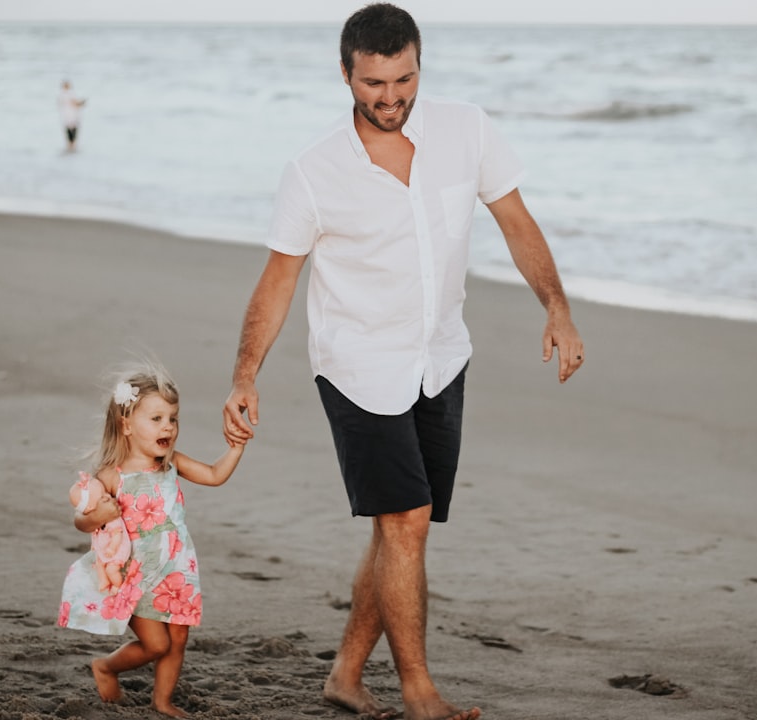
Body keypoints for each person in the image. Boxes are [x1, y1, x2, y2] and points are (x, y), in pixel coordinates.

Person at [222, 4, 584, 719]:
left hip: (440, 357)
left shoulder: (466, 129)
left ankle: (345, 677)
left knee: (399, 528)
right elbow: (278, 280)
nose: (390, 98)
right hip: (356, 364)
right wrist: (244, 375)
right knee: (406, 519)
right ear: (345, 74)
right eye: (373, 83)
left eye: (404, 79)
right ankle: (419, 692)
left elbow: (515, 220)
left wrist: (558, 307)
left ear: (421, 64)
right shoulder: (314, 171)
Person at [60, 361, 246, 718]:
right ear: (126, 425)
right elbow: (81, 519)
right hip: (136, 575)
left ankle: (162, 701)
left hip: (177, 569)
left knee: (177, 640)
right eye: (156, 419)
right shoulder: (111, 476)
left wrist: (235, 449)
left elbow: (212, 474)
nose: (168, 427)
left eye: (173, 419)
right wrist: (99, 515)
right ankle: (106, 667)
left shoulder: (171, 463)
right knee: (156, 643)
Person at [57, 80, 86, 152]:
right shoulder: (69, 94)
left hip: (66, 118)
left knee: (68, 137)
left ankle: (69, 149)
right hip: (72, 118)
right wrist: (82, 102)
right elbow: (76, 103)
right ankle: (72, 150)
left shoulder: (61, 95)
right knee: (73, 137)